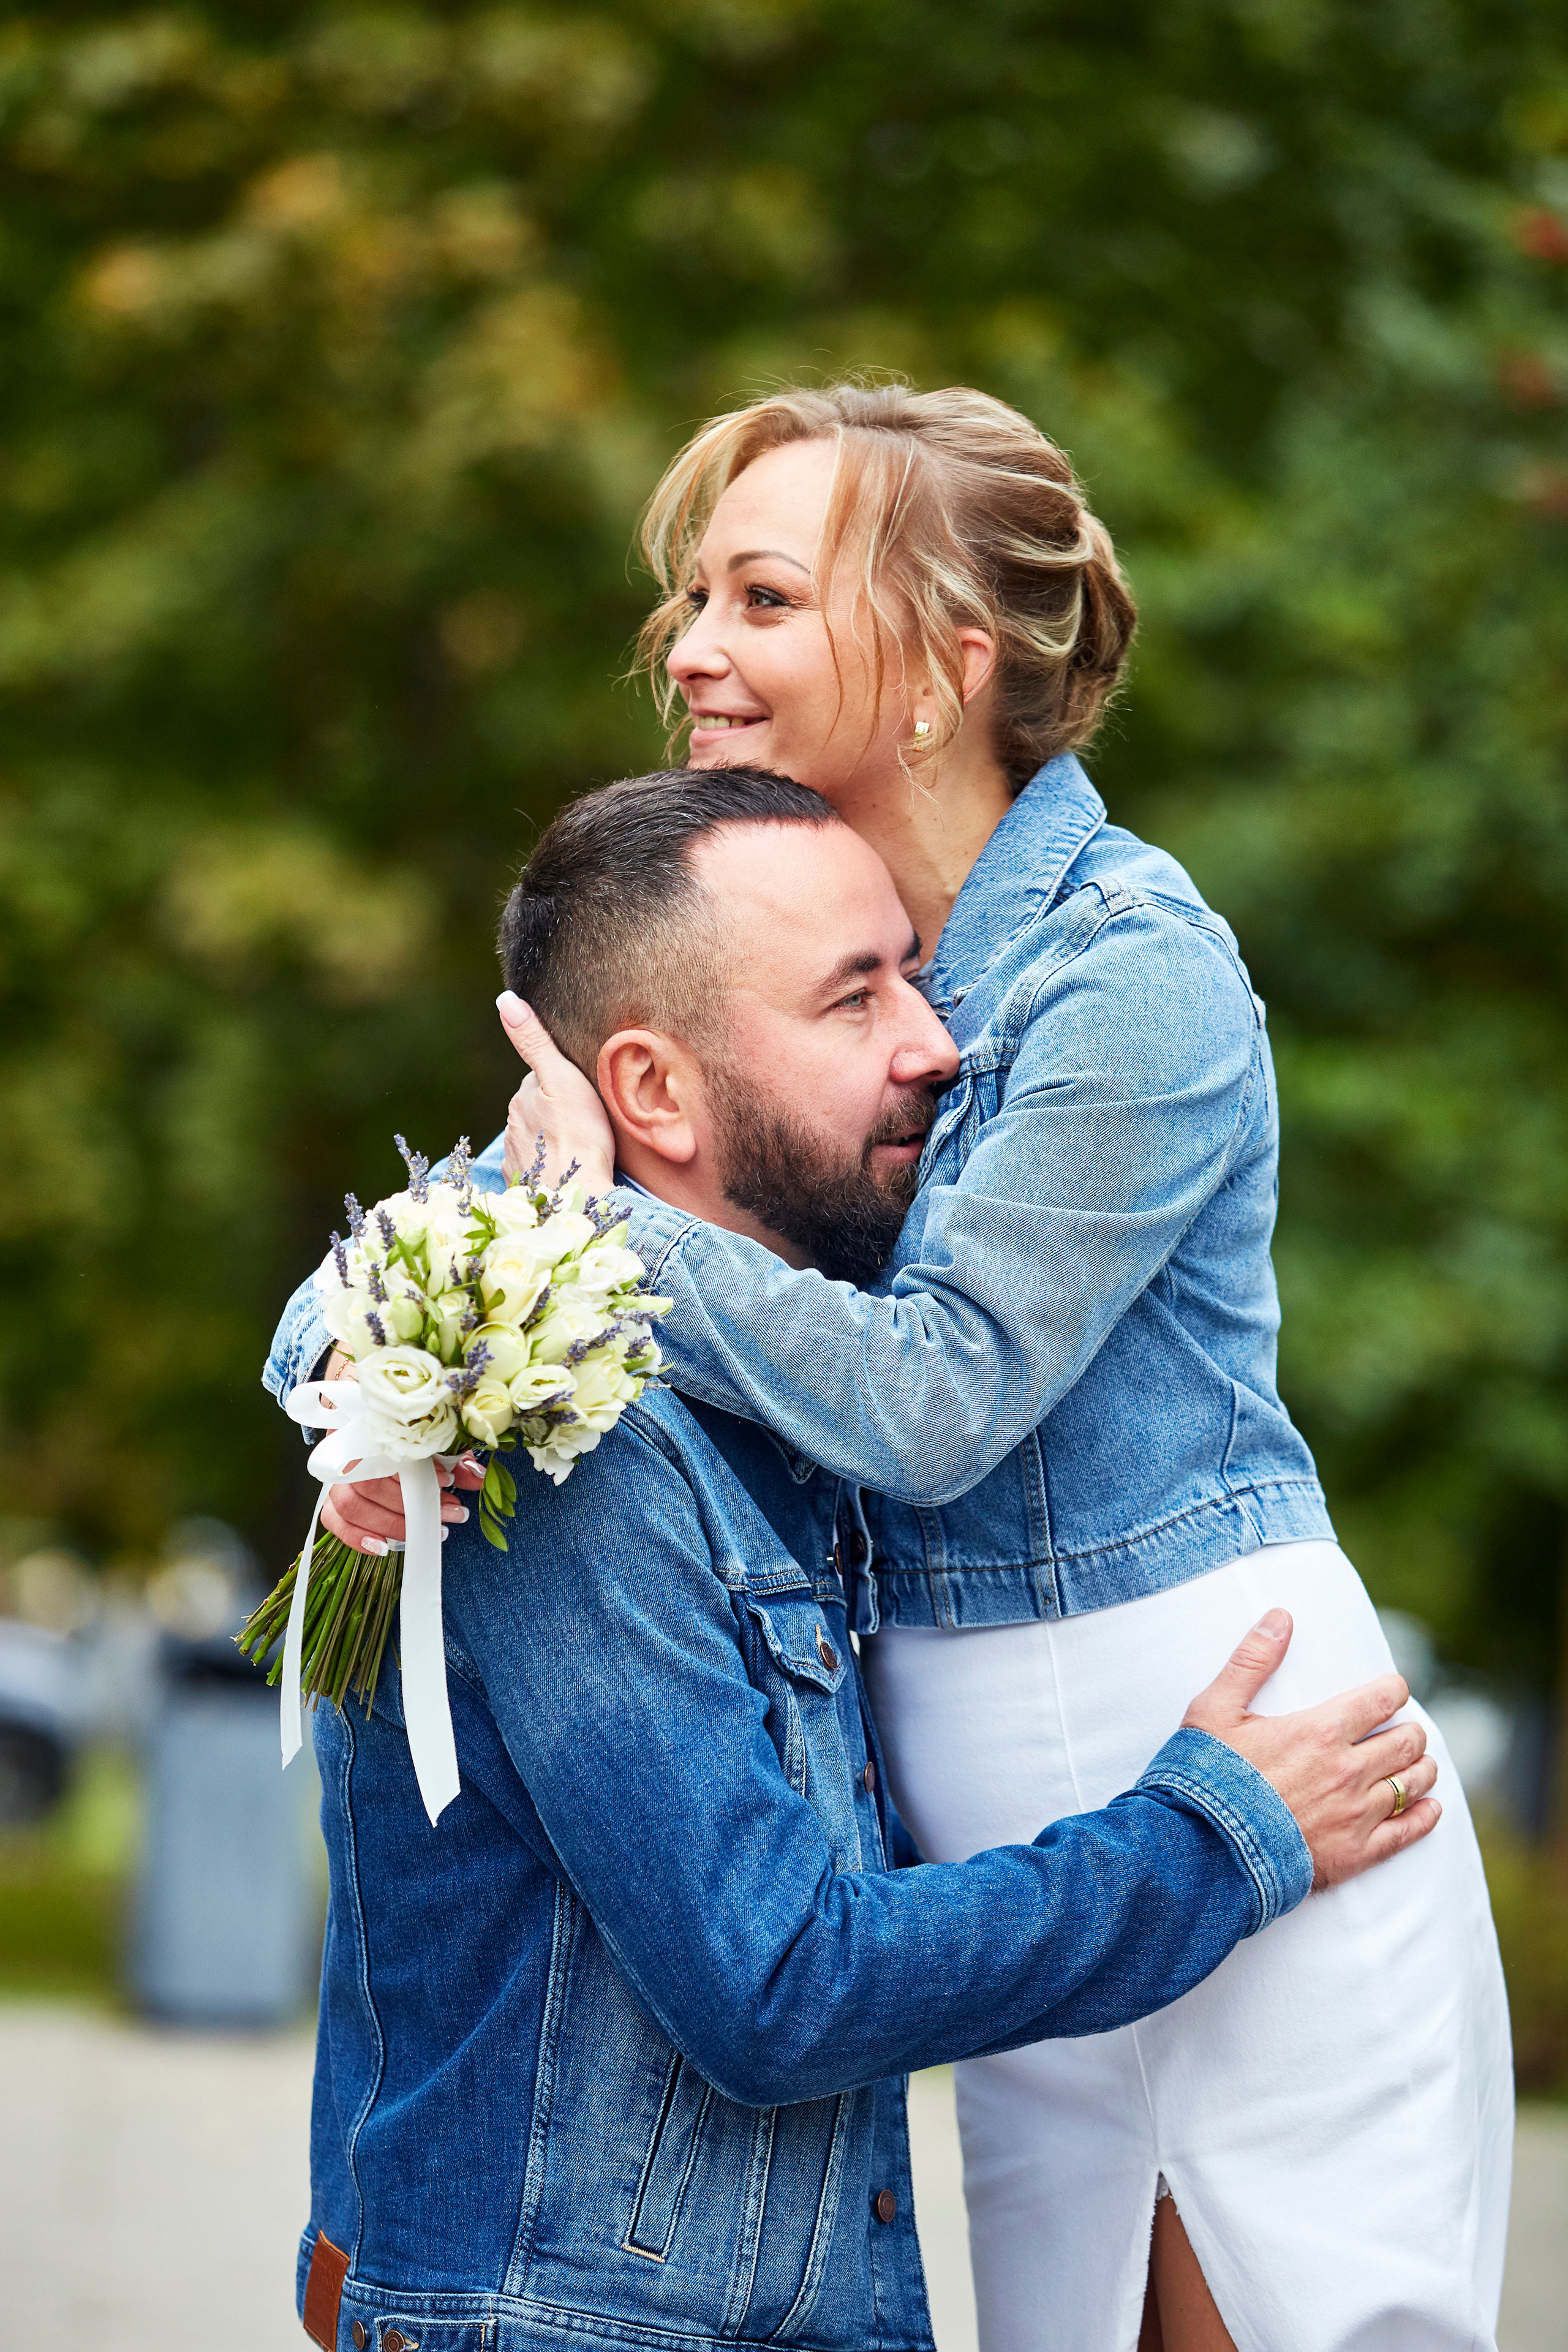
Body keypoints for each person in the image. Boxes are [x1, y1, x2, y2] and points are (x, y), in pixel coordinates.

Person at [479, 385, 1513, 2352]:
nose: (689, 648)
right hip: (1031, 1881)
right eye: (695, 599)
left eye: (763, 598)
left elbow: (930, 1398)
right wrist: (370, 1403)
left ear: (952, 667)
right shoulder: (762, 946)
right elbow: (466, 1228)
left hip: (1254, 1759)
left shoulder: (1131, 967)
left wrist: (585, 1237)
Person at [267, 767, 1436, 2352]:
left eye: (917, 974)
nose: (935, 1045)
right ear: (651, 1093)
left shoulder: (769, 1421)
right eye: (855, 996)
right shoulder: (564, 1447)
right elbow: (779, 1985)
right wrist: (1217, 1835)